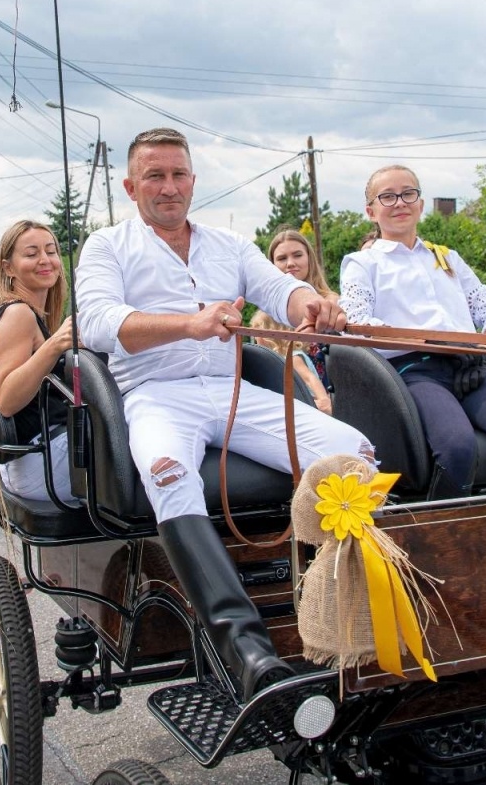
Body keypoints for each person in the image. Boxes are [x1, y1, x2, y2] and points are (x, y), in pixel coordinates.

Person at [77, 127, 373, 702]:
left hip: (232, 390)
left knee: (355, 453)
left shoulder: (228, 244)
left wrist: (311, 303)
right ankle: (249, 652)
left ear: (193, 179)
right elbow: (97, 324)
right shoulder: (106, 245)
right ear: (131, 186)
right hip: (155, 396)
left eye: (178, 174)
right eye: (155, 176)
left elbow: (279, 288)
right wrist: (188, 323)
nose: (169, 187)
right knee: (167, 472)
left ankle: (348, 613)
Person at [340, 164, 486, 498]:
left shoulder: (447, 258)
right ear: (371, 211)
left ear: (421, 203)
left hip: (472, 368)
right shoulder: (362, 264)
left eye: (408, 194)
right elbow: (359, 324)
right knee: (458, 449)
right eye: (387, 197)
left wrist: (484, 352)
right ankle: (446, 546)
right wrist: (435, 341)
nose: (400, 203)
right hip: (413, 373)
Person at [0, 221, 79, 501]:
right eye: (32, 254)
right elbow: (6, 399)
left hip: (37, 458)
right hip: (40, 461)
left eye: (51, 251)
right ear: (8, 267)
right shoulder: (17, 313)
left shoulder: (31, 314)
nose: (45, 260)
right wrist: (56, 344)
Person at [248, 229, 334, 414]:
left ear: (309, 259)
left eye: (297, 255)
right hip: (294, 407)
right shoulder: (262, 324)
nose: (290, 263)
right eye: (281, 258)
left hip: (340, 397)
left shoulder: (332, 304)